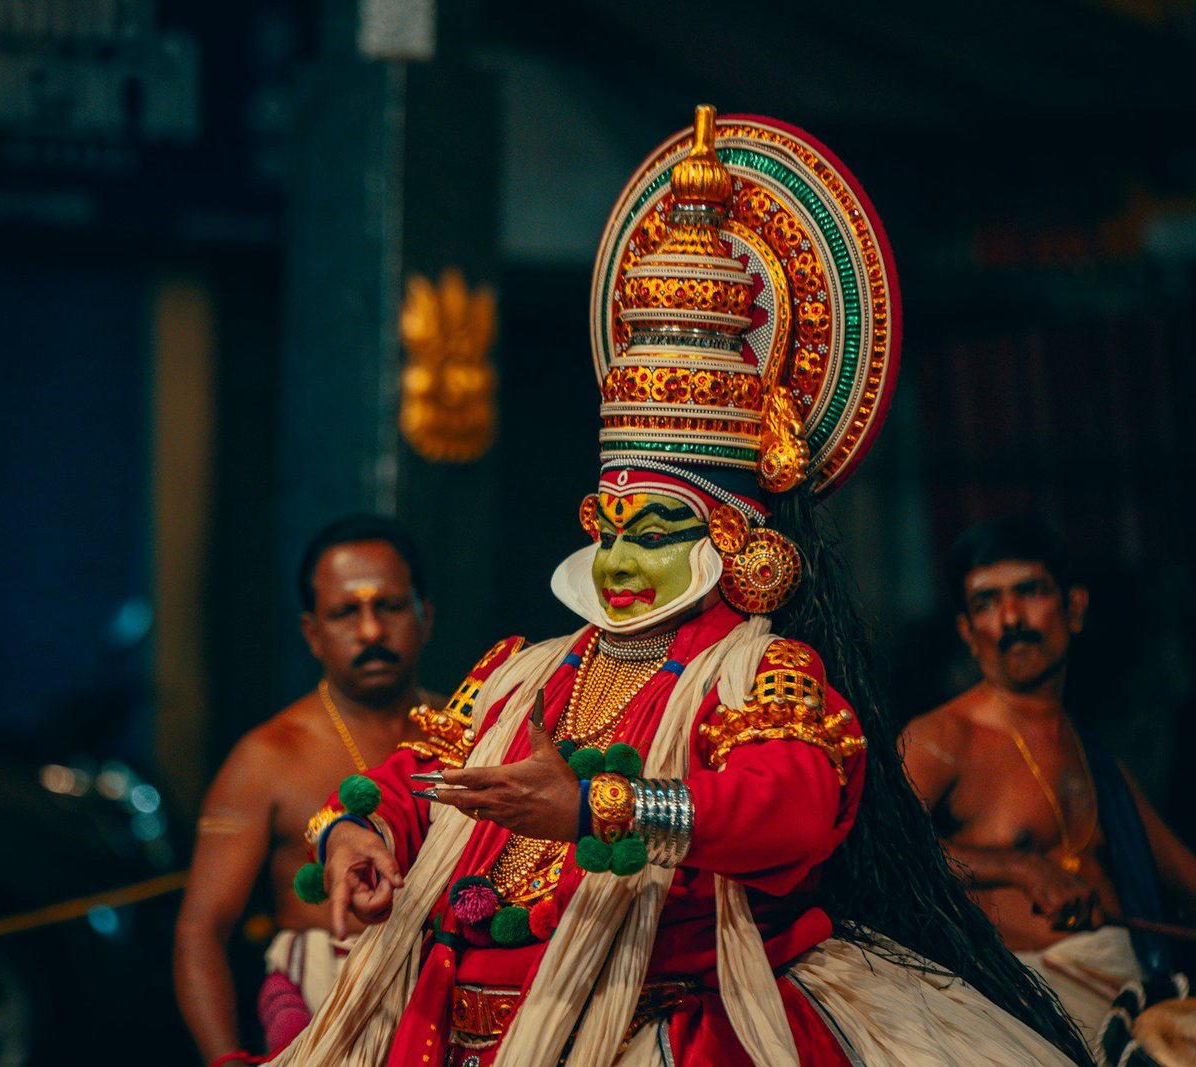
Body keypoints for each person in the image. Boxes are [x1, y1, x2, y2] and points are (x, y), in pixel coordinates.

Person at [263, 107, 1092, 1067]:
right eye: (607, 528)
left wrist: (598, 807)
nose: (617, 562)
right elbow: (431, 774)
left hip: (650, 1012)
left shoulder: (764, 673)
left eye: (655, 530)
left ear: (735, 539)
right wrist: (359, 830)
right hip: (452, 1013)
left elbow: (785, 805)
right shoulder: (526, 673)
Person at [902, 516, 1196, 1046]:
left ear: (1074, 609)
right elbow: (881, 851)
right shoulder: (942, 737)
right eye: (986, 603)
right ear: (969, 633)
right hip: (1023, 1014)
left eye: (1029, 592)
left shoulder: (1096, 760)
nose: (1011, 618)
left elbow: (1185, 876)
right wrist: (1019, 865)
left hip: (1130, 991)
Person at [173, 514, 436, 1063]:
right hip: (325, 1008)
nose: (370, 632)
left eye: (388, 606)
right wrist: (226, 1060)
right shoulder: (268, 757)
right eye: (345, 612)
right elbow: (201, 929)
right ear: (312, 634)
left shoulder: (473, 729)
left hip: (450, 996)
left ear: (424, 615)